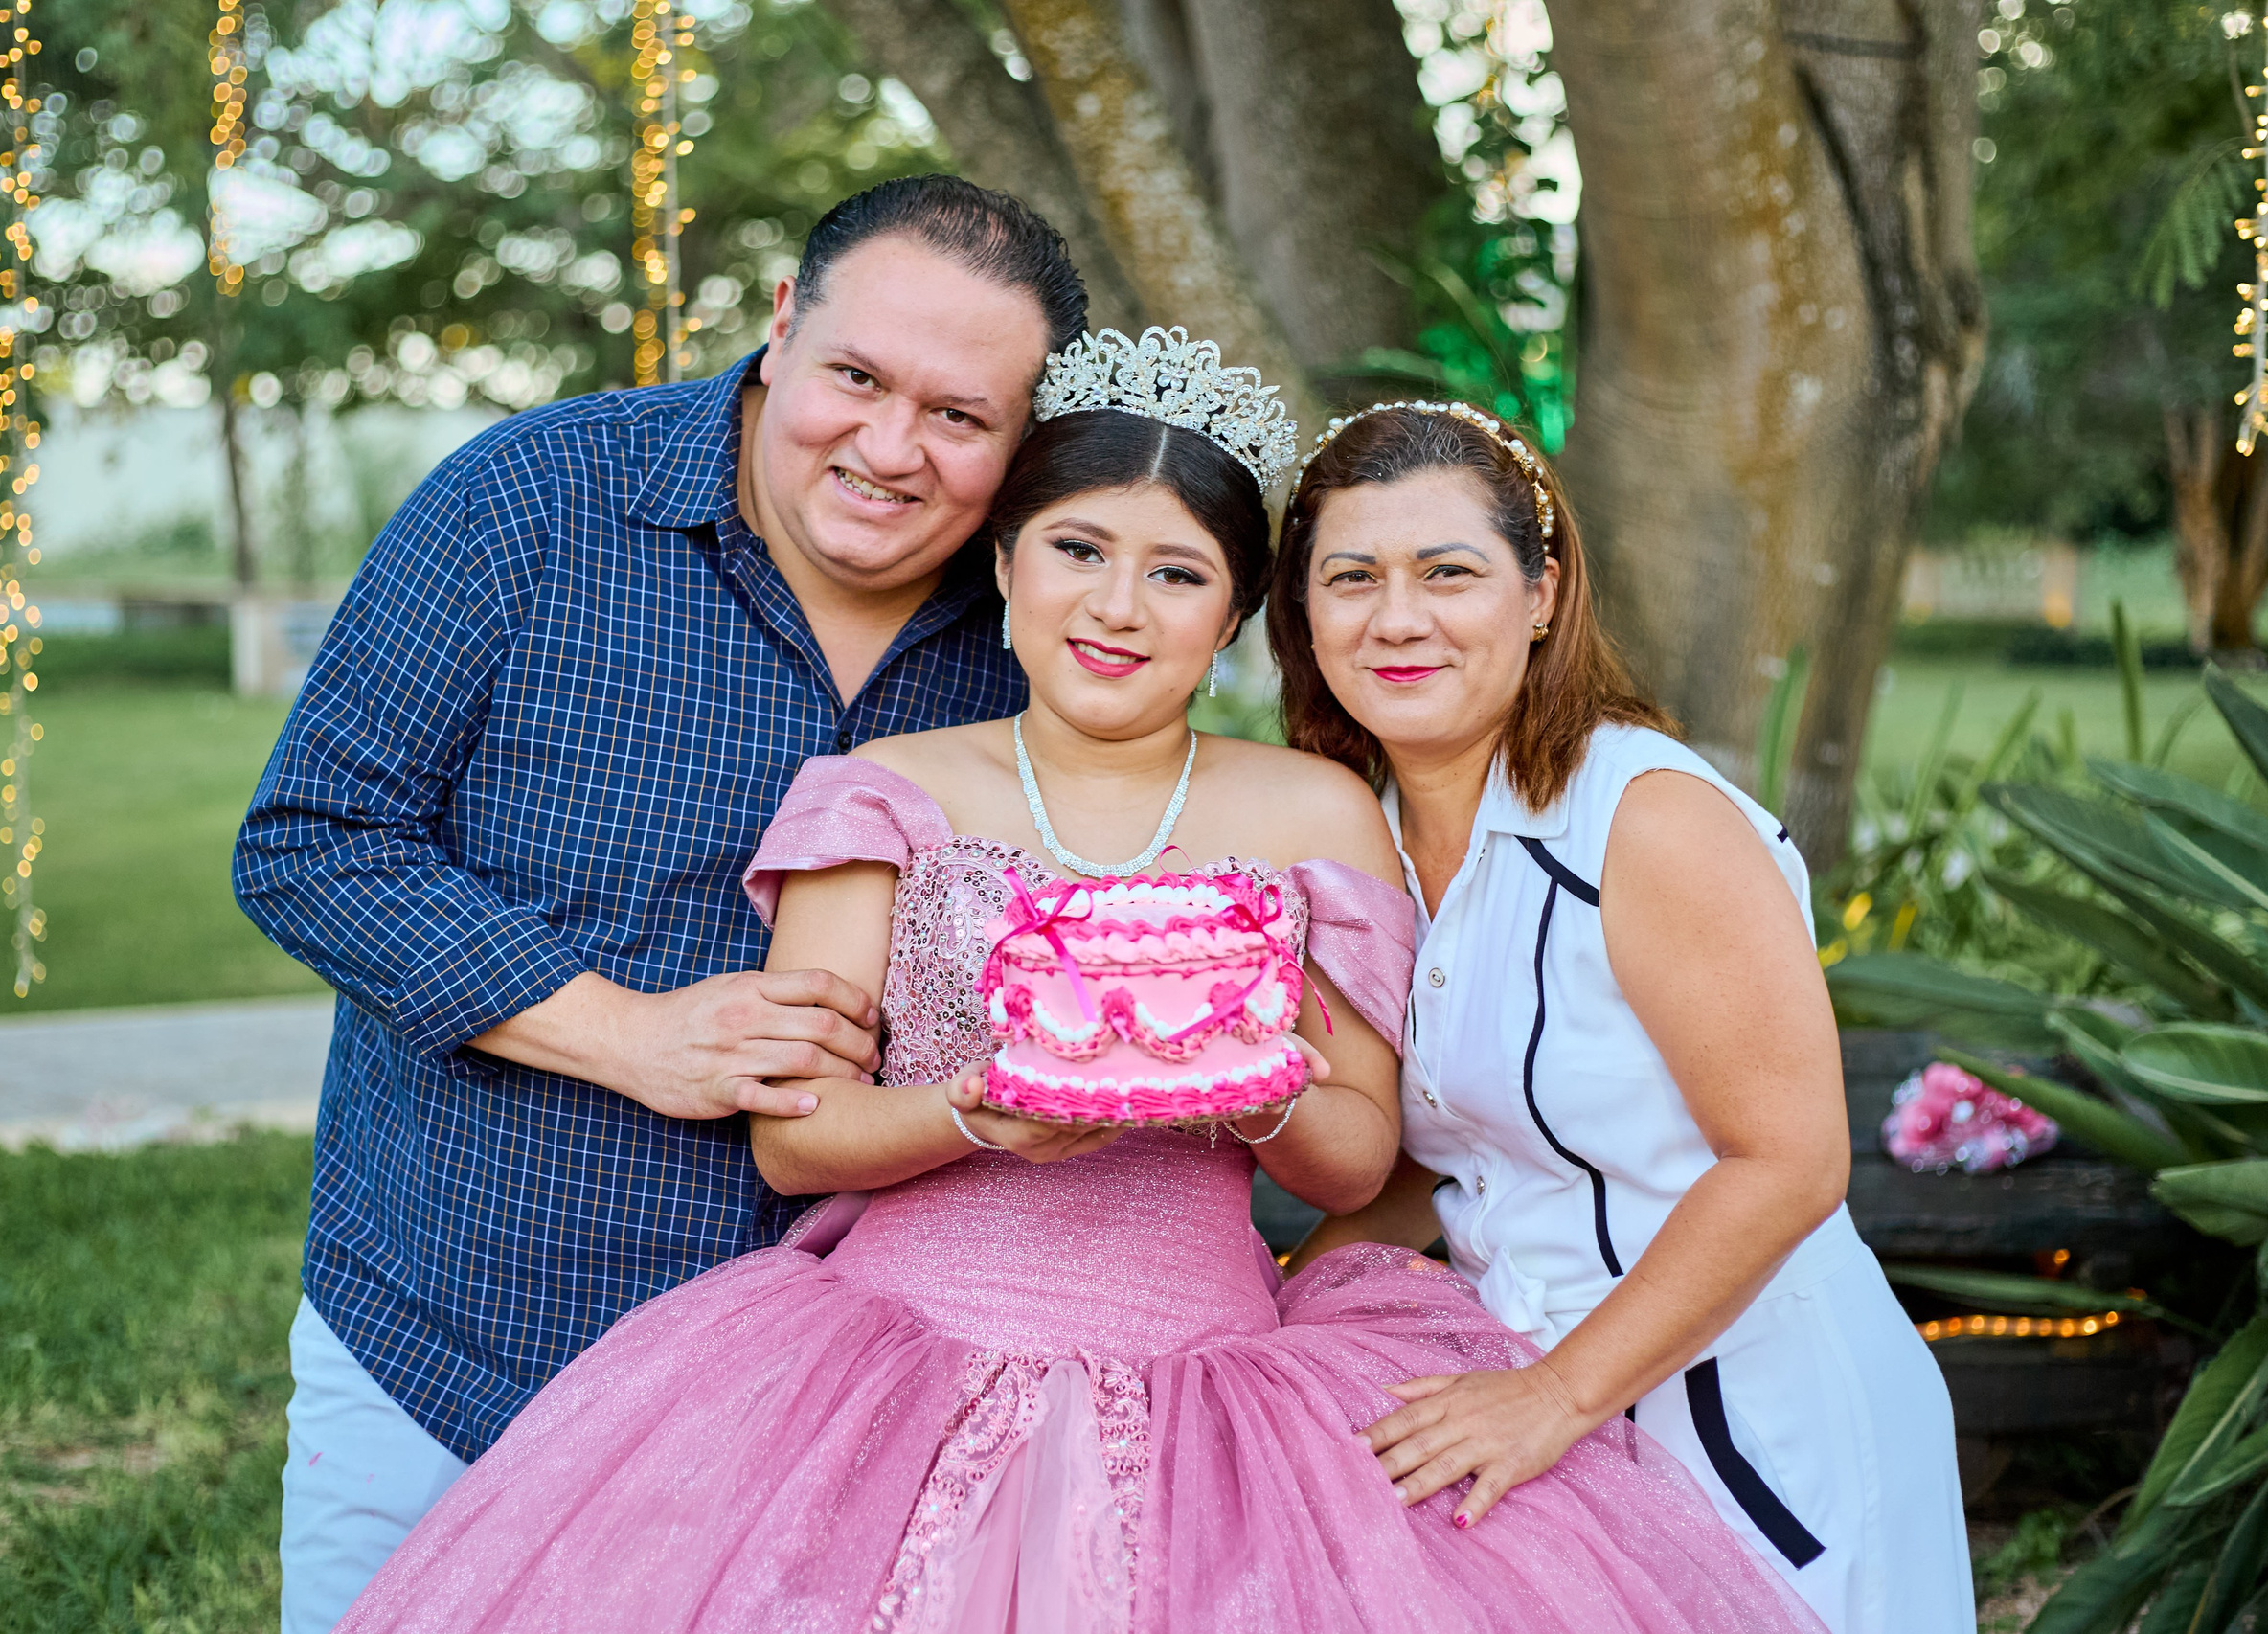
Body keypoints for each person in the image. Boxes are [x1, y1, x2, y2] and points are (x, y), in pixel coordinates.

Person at [331, 329, 1824, 1634]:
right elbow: (795, 1138)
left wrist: (1253, 1080)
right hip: (885, 1355)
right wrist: (974, 1110)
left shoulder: (1313, 810)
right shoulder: (883, 790)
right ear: (1003, 565)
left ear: (1235, 616)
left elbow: (1363, 1155)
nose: (1118, 606)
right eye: (1077, 551)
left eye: (1177, 573)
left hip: (1212, 1370)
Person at [232, 174, 1087, 1633]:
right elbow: (314, 838)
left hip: (823, 1405)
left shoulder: (1044, 627)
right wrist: (626, 1033)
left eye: (959, 415)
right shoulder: (528, 503)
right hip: (458, 1340)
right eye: (856, 377)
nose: (891, 449)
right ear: (780, 325)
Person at [1274, 401, 1972, 1633]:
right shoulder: (1362, 839)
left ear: (1541, 593)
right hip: (1533, 1418)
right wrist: (1256, 1322)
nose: (1397, 617)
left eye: (1448, 572)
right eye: (1352, 577)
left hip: (1751, 1425)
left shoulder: (1644, 818)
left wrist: (1552, 1395)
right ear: (1302, 612)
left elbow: (1789, 1160)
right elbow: (1450, 1154)